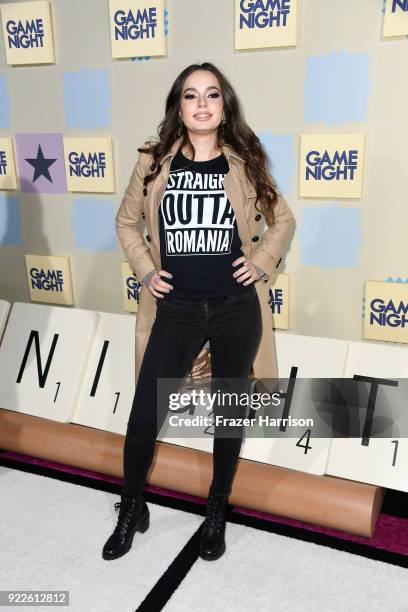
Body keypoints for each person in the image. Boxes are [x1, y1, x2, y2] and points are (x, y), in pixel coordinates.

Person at [103, 62, 295, 562]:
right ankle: (132, 509)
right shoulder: (152, 161)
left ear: (224, 106)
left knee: (229, 415)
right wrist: (146, 269)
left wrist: (262, 261)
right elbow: (127, 223)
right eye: (191, 95)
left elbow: (283, 219)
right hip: (176, 308)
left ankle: (216, 510)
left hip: (235, 309)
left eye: (212, 94)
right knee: (145, 416)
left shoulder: (246, 161)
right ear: (179, 106)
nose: (203, 103)